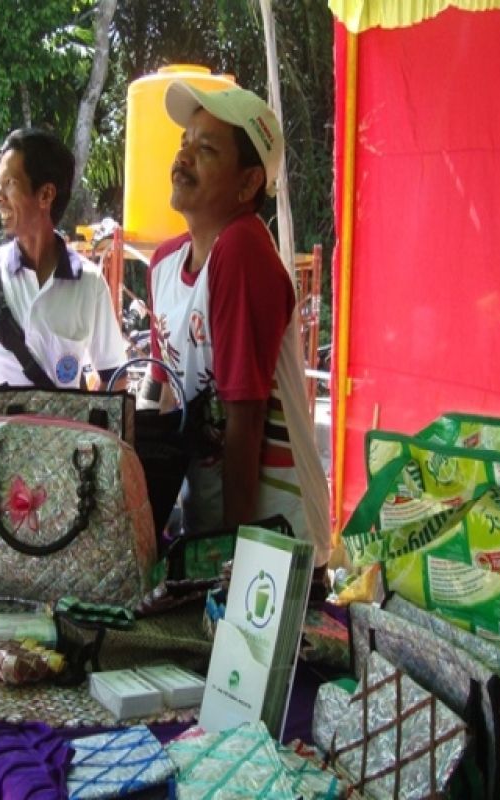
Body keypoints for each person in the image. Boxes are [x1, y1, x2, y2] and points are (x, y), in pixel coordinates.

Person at [147, 81, 335, 578]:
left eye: (206, 149)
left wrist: (230, 558)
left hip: (267, 539)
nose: (183, 156)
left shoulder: (243, 249)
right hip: (208, 528)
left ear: (249, 183)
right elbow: (159, 393)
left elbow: (245, 418)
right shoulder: (164, 263)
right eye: (185, 142)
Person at [0, 128, 127, 402]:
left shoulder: (89, 284)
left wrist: (88, 433)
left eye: (10, 183)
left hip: (57, 444)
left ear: (46, 195)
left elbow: (115, 379)